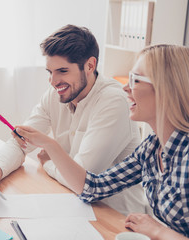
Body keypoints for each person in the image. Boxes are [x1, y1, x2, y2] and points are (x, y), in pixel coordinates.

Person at [14, 44, 189, 239]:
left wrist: (157, 230)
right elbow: (93, 188)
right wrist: (50, 145)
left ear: (167, 89)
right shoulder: (151, 148)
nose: (126, 87)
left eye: (136, 80)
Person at [0, 24, 147, 215]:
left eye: (62, 71)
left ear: (90, 65)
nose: (53, 82)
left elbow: (82, 179)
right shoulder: (57, 94)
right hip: (75, 206)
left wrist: (48, 163)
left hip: (117, 217)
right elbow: (20, 141)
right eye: (50, 72)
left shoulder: (113, 101)